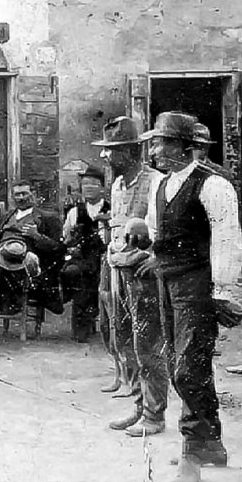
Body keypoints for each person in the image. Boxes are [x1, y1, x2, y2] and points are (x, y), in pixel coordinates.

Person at [138, 111, 242, 482]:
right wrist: (149, 248)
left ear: (186, 147)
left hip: (197, 287)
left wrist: (222, 292)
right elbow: (156, 230)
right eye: (153, 142)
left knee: (187, 367)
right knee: (180, 361)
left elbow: (227, 241)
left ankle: (192, 456)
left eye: (161, 142)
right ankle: (211, 444)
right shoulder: (161, 185)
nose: (154, 149)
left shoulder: (214, 186)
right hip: (168, 283)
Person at [92, 116, 170, 438]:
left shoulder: (156, 183)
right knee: (123, 339)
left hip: (142, 275)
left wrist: (154, 257)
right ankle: (139, 406)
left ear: (130, 151)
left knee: (147, 345)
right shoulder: (117, 184)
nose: (105, 157)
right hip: (116, 269)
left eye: (112, 151)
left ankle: (155, 416)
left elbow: (165, 230)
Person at [0, 179, 66, 314]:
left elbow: (59, 248)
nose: (20, 198)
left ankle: (5, 302)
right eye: (17, 195)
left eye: (24, 194)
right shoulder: (7, 217)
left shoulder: (47, 217)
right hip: (1, 256)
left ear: (34, 194)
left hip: (27, 264)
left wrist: (36, 236)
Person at [60, 166, 109, 344]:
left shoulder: (110, 210)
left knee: (97, 277)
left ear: (102, 188)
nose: (88, 188)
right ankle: (81, 325)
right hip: (82, 257)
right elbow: (66, 239)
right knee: (74, 273)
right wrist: (71, 241)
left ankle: (97, 319)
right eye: (85, 184)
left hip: (104, 256)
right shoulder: (75, 212)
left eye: (94, 184)